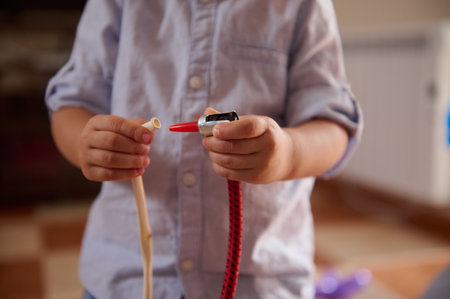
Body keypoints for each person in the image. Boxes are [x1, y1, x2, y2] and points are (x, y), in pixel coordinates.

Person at [45, 0, 362, 298]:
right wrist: (87, 144)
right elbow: (72, 102)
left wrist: (288, 153)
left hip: (261, 280)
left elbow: (334, 125)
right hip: (122, 275)